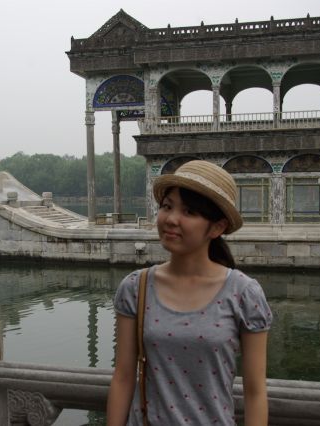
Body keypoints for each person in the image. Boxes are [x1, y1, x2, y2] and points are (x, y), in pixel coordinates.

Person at [106, 160, 272, 426]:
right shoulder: (136, 287)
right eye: (167, 206)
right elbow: (123, 377)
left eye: (189, 211)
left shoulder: (244, 294)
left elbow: (255, 392)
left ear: (217, 228)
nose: (171, 219)